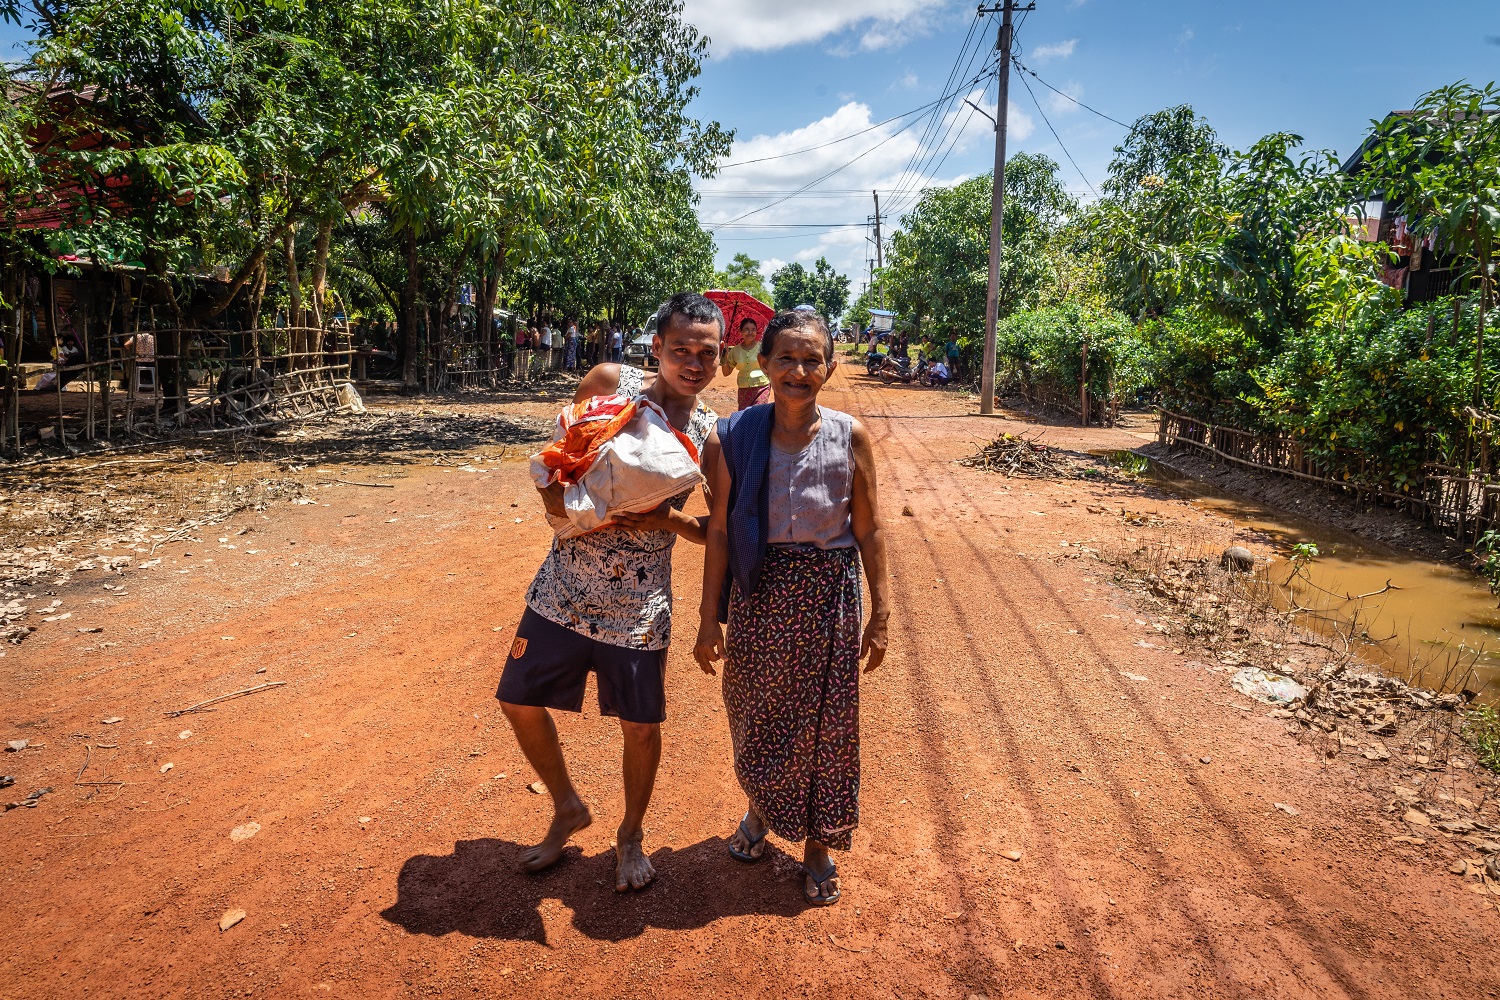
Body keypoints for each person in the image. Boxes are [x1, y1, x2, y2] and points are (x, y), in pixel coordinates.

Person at [497, 292, 725, 893]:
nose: (694, 363)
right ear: (658, 348)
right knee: (517, 699)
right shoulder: (608, 383)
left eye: (707, 352)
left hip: (639, 606)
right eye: (681, 350)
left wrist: (665, 522)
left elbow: (716, 531)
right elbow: (565, 459)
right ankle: (567, 805)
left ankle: (630, 835)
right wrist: (558, 497)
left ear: (723, 359)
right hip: (564, 584)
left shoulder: (710, 437)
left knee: (641, 727)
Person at [694, 309, 890, 907]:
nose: (798, 371)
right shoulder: (736, 435)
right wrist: (708, 619)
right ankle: (760, 807)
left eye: (812, 360)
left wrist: (879, 614)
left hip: (826, 594)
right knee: (755, 710)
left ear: (829, 368)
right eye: (786, 358)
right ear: (766, 364)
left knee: (826, 727)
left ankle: (817, 847)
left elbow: (870, 527)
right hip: (759, 591)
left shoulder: (849, 435)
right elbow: (723, 531)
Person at [720, 317, 771, 411]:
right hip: (744, 389)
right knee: (745, 415)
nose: (750, 332)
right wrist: (724, 356)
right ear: (741, 332)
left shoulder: (762, 348)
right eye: (746, 329)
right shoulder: (735, 350)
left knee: (758, 412)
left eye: (753, 330)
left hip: (762, 387)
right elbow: (726, 373)